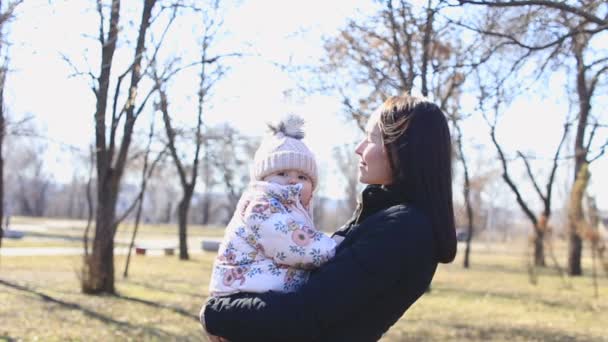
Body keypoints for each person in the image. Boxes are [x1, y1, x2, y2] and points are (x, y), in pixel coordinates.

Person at [201, 94, 457, 342]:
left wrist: (215, 313)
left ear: (402, 149)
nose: (359, 149)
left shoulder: (403, 229)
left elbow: (302, 316)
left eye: (371, 139)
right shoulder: (382, 217)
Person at [208, 114, 338, 298]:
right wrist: (335, 248)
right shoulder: (261, 207)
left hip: (261, 293)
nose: (293, 180)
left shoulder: (291, 209)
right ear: (263, 179)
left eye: (302, 177)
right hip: (242, 292)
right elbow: (297, 246)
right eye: (282, 173)